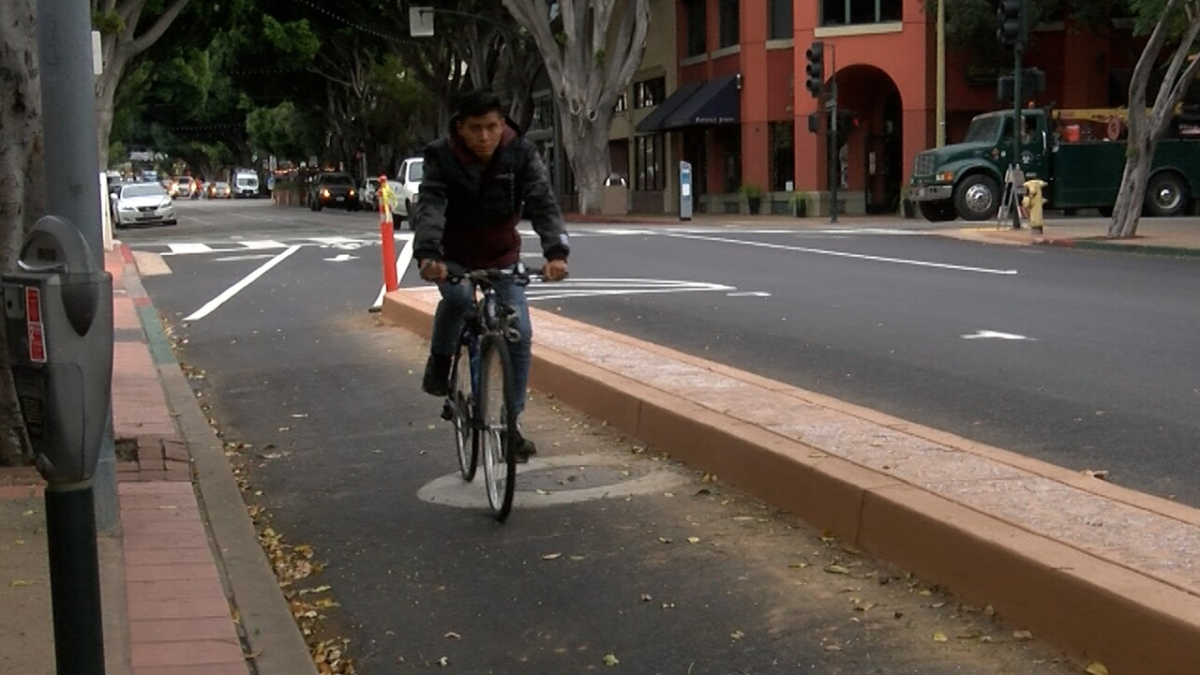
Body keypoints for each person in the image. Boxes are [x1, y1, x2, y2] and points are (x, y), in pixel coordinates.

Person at [412, 88, 570, 460]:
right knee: (458, 299)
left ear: (503, 124)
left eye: (492, 127)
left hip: (502, 254)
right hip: (451, 256)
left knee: (520, 333)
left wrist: (556, 253)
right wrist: (428, 256)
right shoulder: (440, 156)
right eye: (476, 128)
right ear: (460, 128)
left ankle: (511, 424)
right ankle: (441, 363)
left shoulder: (521, 153)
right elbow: (431, 205)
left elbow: (543, 202)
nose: (485, 137)